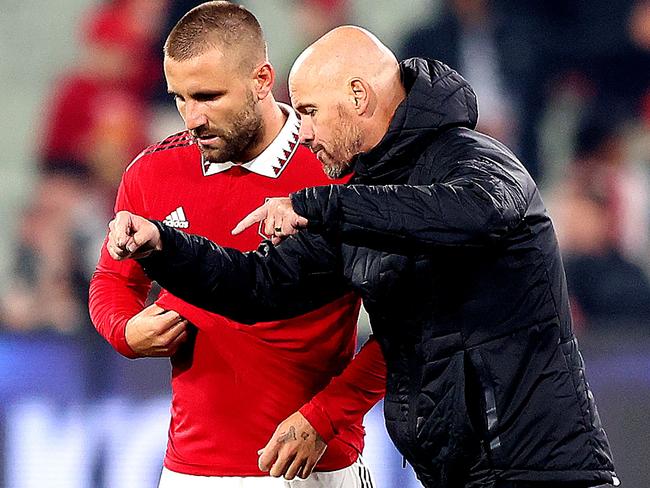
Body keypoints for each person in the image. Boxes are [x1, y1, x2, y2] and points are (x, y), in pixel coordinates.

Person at [106, 25, 618, 488]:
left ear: (358, 96)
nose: (302, 132)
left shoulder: (472, 159)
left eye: (308, 112)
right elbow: (260, 284)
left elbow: (476, 213)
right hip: (457, 475)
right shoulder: (360, 201)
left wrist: (316, 203)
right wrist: (165, 247)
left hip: (545, 472)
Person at [89, 5, 386, 487]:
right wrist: (125, 330)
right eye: (180, 98)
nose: (192, 118)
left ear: (262, 79)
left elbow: (405, 325)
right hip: (190, 471)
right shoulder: (151, 174)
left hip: (315, 467)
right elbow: (112, 280)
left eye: (208, 96)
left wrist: (327, 416)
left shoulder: (336, 168)